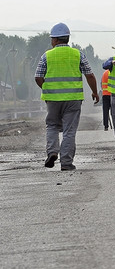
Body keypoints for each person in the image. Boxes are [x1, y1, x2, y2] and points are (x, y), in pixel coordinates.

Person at [34, 22, 100, 171]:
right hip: (73, 99)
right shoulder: (78, 54)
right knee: (69, 131)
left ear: (56, 40)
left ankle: (52, 152)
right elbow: (89, 75)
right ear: (67, 38)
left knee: (51, 126)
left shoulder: (47, 56)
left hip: (52, 100)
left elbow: (38, 77)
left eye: (52, 39)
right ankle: (66, 163)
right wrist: (95, 92)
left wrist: (47, 89)